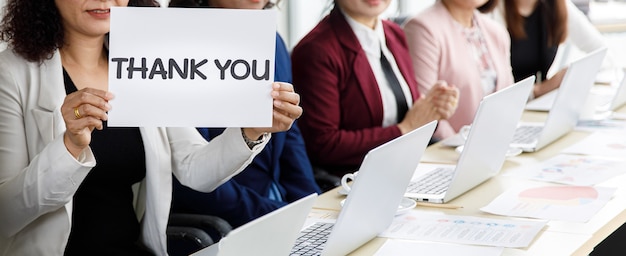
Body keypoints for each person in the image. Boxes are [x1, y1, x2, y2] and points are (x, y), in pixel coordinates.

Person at [0, 0, 303, 255]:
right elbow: (6, 213)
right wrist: (69, 147)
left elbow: (195, 169)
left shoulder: (144, 60)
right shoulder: (11, 74)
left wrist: (250, 131)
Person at [167, 0, 321, 231]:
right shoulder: (175, 47)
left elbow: (288, 135)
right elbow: (192, 178)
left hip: (276, 204)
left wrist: (314, 206)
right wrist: (280, 215)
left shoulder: (273, 40)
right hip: (227, 221)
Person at [291, 0, 459, 177]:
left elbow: (412, 116)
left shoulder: (394, 33)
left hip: (407, 168)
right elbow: (324, 144)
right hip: (354, 180)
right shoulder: (316, 50)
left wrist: (434, 108)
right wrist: (403, 131)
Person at [402, 0, 514, 139]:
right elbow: (426, 111)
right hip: (449, 150)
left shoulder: (496, 31)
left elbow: (510, 97)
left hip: (496, 141)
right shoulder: (422, 28)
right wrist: (462, 147)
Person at [491, 0, 612, 98]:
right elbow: (497, 90)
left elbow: (603, 53)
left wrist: (575, 74)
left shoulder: (556, 6)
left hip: (536, 105)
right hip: (509, 106)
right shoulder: (493, 11)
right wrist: (541, 89)